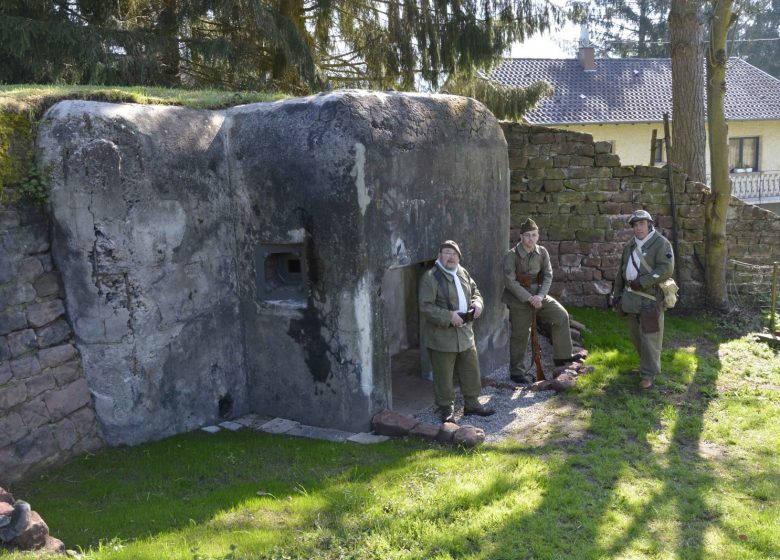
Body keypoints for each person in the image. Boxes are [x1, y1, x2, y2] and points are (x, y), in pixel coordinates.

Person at [419, 240, 496, 423]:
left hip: (465, 334)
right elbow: (425, 306)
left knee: (470, 370)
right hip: (441, 337)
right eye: (446, 253)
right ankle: (445, 409)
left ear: (459, 257)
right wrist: (448, 317)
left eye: (454, 254)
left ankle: (472, 404)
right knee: (443, 375)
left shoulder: (462, 272)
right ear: (439, 256)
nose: (451, 257)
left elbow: (475, 291)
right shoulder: (430, 277)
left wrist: (478, 303)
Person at [502, 218, 584, 384]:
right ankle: (517, 371)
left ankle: (562, 356)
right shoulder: (512, 256)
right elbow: (509, 281)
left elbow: (548, 275)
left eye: (533, 235)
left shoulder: (542, 252)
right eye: (527, 235)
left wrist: (540, 296)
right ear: (521, 236)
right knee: (521, 334)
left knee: (561, 315)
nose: (530, 239)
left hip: (538, 294)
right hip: (519, 297)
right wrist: (528, 298)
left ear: (538, 236)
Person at [611, 209, 675, 389]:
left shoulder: (661, 244)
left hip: (650, 300)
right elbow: (621, 273)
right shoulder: (630, 245)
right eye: (635, 225)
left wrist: (644, 281)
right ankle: (645, 366)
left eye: (642, 224)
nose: (638, 228)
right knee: (636, 336)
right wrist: (616, 295)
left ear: (649, 224)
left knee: (650, 339)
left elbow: (666, 269)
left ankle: (649, 374)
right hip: (631, 300)